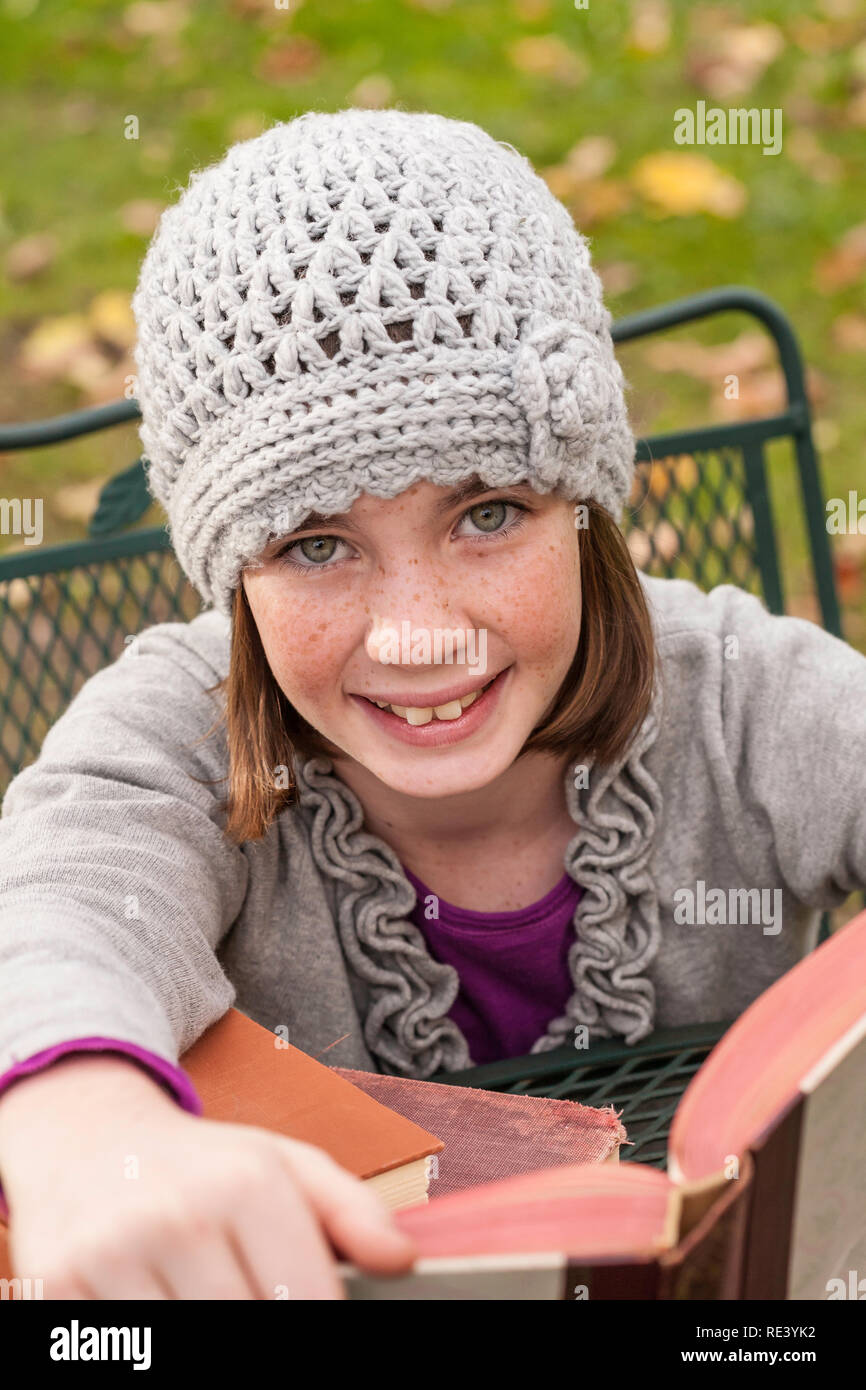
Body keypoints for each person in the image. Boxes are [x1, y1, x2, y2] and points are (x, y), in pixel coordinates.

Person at [1, 108, 865, 1301]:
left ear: (580, 508)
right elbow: (56, 902)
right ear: (232, 576)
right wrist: (84, 1127)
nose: (418, 632)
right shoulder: (179, 732)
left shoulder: (738, 697)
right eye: (314, 545)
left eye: (489, 514)